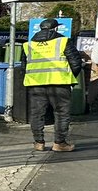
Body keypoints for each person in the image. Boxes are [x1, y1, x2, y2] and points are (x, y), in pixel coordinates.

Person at [22, 19, 83, 152]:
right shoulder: (63, 41)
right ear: (55, 29)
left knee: (37, 114)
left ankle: (39, 143)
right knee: (61, 113)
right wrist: (69, 78)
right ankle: (59, 143)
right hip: (60, 83)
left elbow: (23, 66)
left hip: (35, 84)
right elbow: (76, 63)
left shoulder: (28, 45)